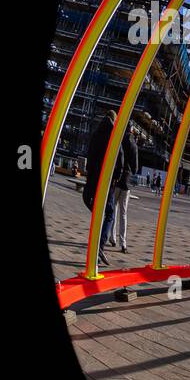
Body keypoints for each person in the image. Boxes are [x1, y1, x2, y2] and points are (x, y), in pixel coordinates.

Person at [83, 109, 120, 268]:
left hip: (93, 179)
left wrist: (90, 175)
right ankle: (100, 245)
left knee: (96, 209)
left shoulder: (97, 132)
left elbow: (90, 155)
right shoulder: (114, 135)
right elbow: (120, 157)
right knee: (110, 213)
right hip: (107, 180)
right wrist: (115, 177)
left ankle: (96, 244)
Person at [109, 123, 139, 253]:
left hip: (116, 179)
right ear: (132, 130)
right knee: (124, 213)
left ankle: (112, 237)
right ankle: (123, 242)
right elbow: (135, 167)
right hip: (126, 181)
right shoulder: (133, 144)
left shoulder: (119, 139)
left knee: (113, 209)